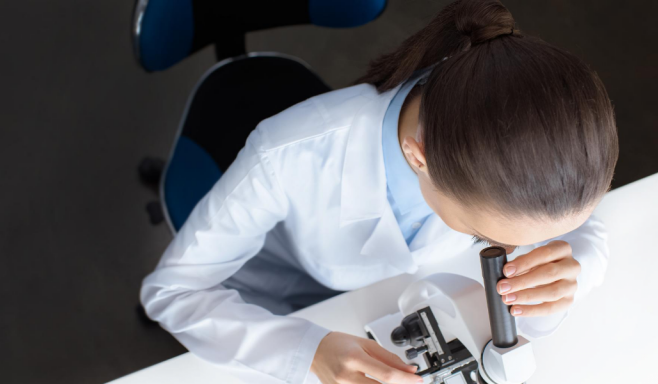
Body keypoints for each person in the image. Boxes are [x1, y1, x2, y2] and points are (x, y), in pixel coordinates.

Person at [140, 0, 618, 383]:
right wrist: (309, 352)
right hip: (285, 281)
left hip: (380, 291)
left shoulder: (498, 111)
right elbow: (172, 293)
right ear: (420, 156)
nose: (516, 252)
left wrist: (579, 263)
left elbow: (573, 219)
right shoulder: (287, 155)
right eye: (480, 236)